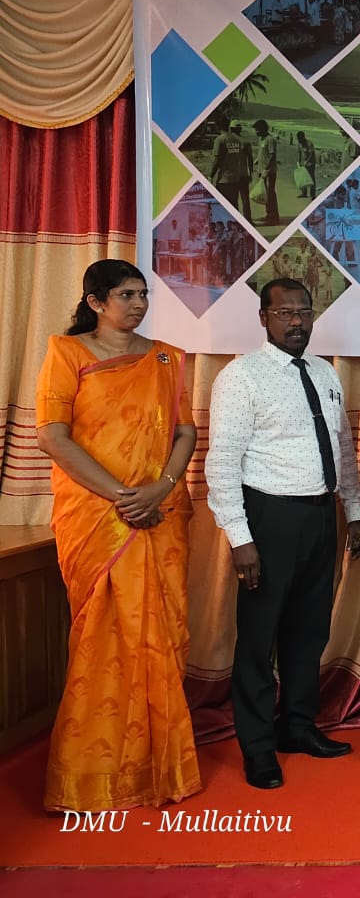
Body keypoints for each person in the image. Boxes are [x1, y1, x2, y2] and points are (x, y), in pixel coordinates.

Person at [35, 259, 201, 811]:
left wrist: (160, 488)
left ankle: (159, 766)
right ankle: (92, 773)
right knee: (101, 640)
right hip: (98, 517)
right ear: (96, 301)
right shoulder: (67, 353)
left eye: (143, 294)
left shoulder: (165, 358)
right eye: (126, 295)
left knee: (162, 636)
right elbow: (53, 436)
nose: (138, 304)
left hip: (159, 511)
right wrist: (124, 497)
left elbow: (184, 432)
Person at [205, 278, 360, 790]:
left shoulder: (324, 372)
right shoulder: (240, 377)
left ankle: (297, 726)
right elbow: (222, 462)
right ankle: (257, 748)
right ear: (264, 318)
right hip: (268, 517)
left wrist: (354, 510)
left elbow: (341, 446)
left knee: (309, 630)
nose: (297, 321)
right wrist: (240, 538)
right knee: (259, 638)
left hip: (321, 516)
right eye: (285, 313)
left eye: (304, 312)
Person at [211, 119, 252, 222]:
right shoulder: (241, 141)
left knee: (224, 204)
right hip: (240, 175)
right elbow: (248, 159)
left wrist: (211, 175)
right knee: (239, 201)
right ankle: (244, 221)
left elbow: (217, 159)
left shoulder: (222, 140)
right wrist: (250, 172)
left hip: (227, 177)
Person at [252, 119, 281, 226]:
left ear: (263, 129)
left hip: (269, 172)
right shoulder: (261, 139)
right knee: (265, 194)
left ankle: (274, 217)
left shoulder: (270, 140)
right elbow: (263, 153)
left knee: (270, 194)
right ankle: (269, 214)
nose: (256, 132)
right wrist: (257, 160)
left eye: (257, 129)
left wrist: (266, 169)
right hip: (262, 171)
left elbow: (272, 156)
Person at [297, 132, 317, 198]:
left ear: (303, 137)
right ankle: (304, 193)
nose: (300, 141)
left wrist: (307, 161)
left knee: (311, 178)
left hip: (311, 163)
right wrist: (299, 161)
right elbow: (299, 153)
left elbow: (311, 154)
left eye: (301, 139)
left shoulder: (309, 143)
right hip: (303, 163)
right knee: (303, 178)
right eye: (299, 139)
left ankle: (313, 194)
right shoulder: (299, 144)